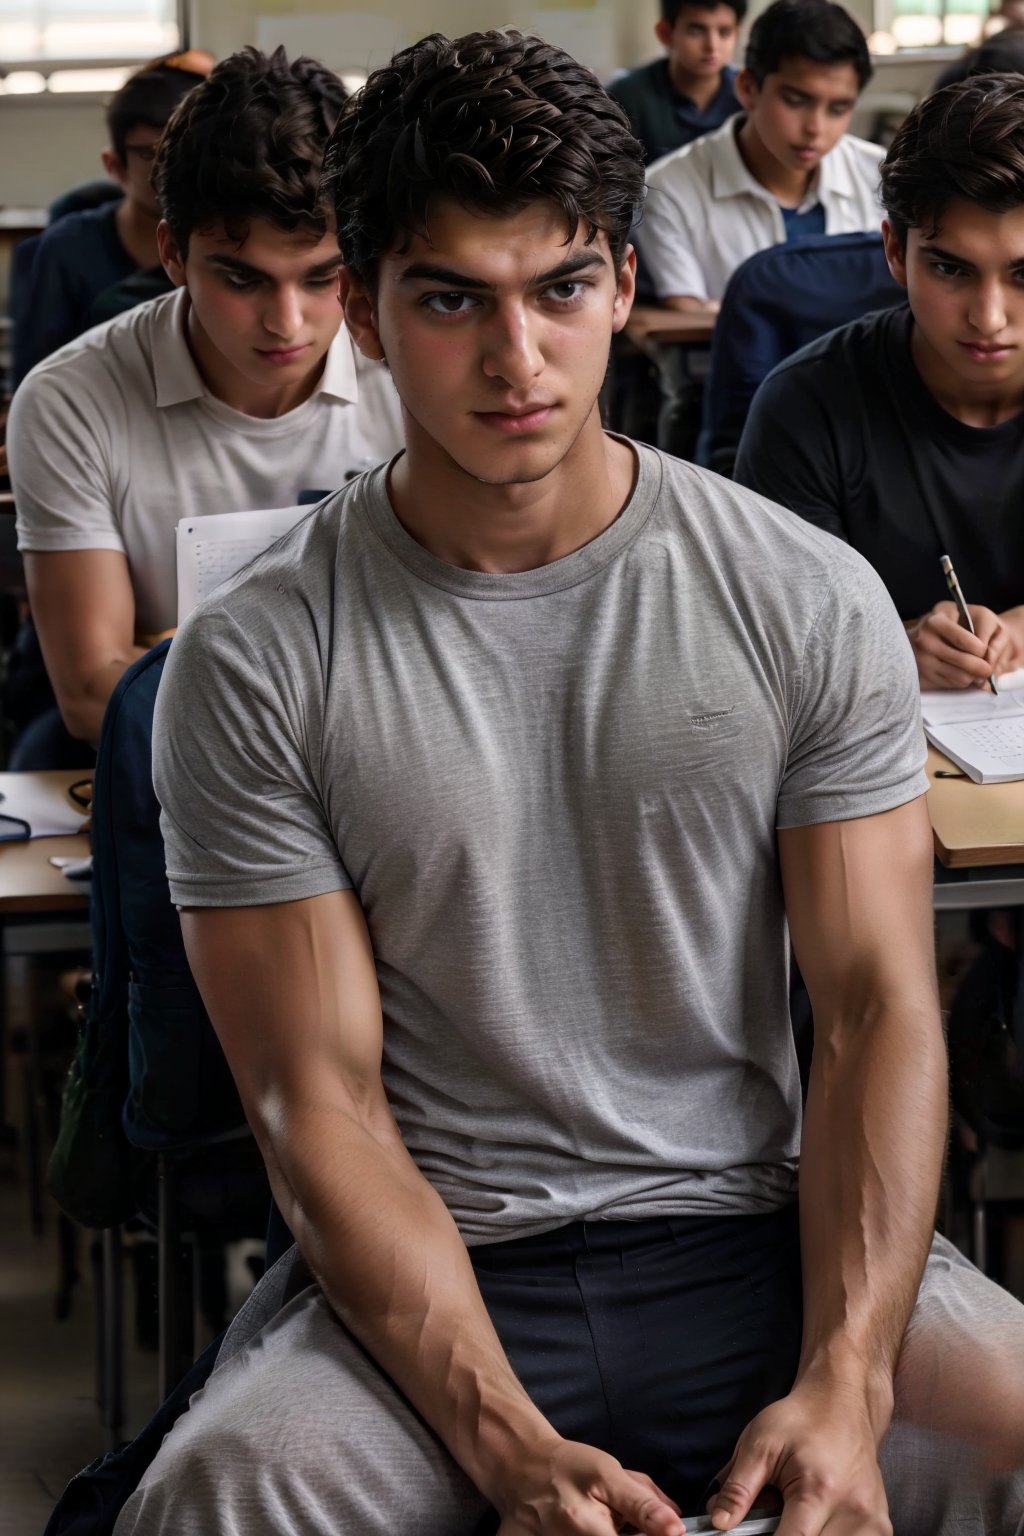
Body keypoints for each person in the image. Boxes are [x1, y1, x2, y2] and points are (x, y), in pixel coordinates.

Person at [114, 28, 1024, 1536]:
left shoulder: (801, 595)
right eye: (452, 299)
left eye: (561, 290)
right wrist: (500, 1440)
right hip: (444, 1266)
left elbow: (876, 1007)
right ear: (364, 310)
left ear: (618, 281)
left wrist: (851, 1379)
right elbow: (318, 1102)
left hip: (763, 1233)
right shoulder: (254, 660)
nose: (515, 360)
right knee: (221, 1496)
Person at [7, 45, 403, 754]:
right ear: (170, 254)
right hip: (176, 754)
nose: (287, 323)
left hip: (362, 750)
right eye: (243, 280)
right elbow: (96, 691)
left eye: (322, 279)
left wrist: (170, 658)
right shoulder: (71, 400)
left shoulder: (413, 367)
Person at [734, 74, 1024, 692]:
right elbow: (774, 647)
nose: (989, 318)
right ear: (895, 251)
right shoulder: (803, 406)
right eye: (951, 268)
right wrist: (897, 642)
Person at [637, 0, 881, 314]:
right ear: (748, 88)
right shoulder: (666, 190)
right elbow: (687, 312)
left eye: (838, 109)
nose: (815, 129)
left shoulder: (878, 176)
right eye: (795, 101)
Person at [10, 51, 212, 386]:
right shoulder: (67, 253)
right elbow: (36, 383)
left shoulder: (232, 245)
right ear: (115, 166)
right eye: (153, 154)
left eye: (193, 150)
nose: (179, 169)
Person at [607, 0, 746, 166]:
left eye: (724, 32)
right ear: (665, 33)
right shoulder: (625, 96)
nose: (712, 46)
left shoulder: (749, 95)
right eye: (696, 31)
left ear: (736, 35)